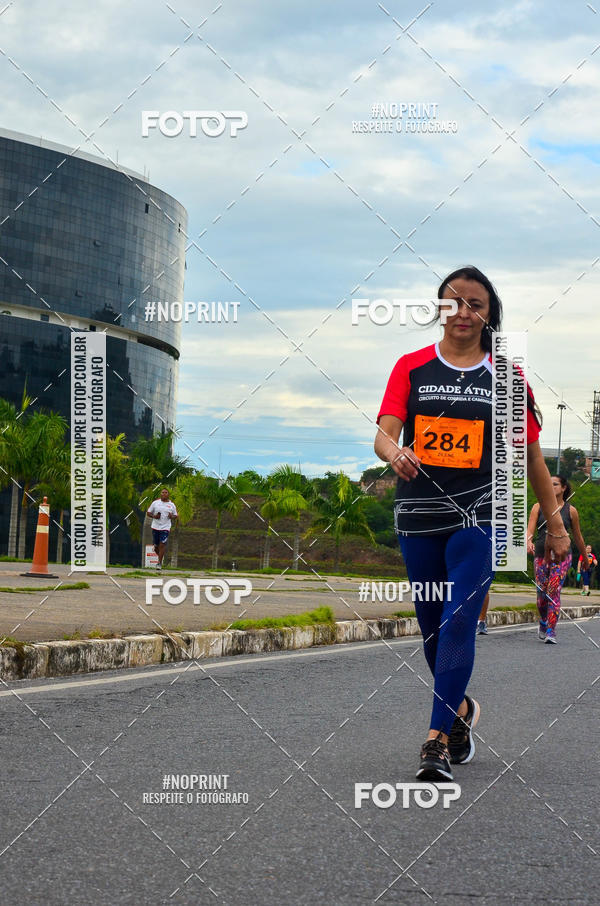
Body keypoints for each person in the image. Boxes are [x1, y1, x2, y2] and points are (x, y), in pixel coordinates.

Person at [374, 266, 571, 782]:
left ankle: (436, 741)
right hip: (419, 515)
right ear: (438, 309)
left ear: (489, 312)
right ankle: (459, 712)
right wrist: (395, 453)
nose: (464, 312)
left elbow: (531, 458)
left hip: (484, 514)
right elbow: (385, 434)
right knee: (432, 627)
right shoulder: (411, 367)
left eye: (475, 303)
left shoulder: (507, 377)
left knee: (461, 618)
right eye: (453, 302)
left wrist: (556, 527)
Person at [527, 477, 588, 642]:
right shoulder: (538, 507)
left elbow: (578, 537)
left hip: (562, 556)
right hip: (541, 554)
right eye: (548, 483)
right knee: (541, 596)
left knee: (553, 592)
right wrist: (528, 541)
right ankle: (543, 620)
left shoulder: (571, 511)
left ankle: (550, 631)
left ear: (563, 488)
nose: (550, 486)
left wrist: (586, 558)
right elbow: (530, 530)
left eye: (555, 484)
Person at [146, 488, 178, 570]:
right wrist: (154, 516)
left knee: (162, 544)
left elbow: (176, 515)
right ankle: (160, 556)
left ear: (168, 494)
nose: (164, 494)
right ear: (160, 494)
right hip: (155, 527)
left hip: (165, 527)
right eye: (162, 492)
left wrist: (172, 516)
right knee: (156, 547)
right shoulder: (155, 503)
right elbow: (148, 513)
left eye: (165, 492)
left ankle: (159, 563)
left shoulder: (171, 505)